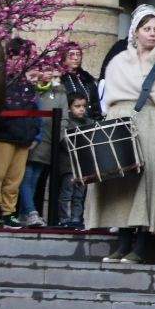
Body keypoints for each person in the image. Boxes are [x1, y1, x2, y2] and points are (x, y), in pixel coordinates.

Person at [92, 5, 155, 263]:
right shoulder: (117, 60)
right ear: (135, 32)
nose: (152, 34)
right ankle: (123, 243)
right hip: (119, 120)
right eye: (147, 29)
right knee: (123, 182)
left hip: (153, 123)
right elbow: (105, 95)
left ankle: (142, 245)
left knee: (148, 182)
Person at [0, 40, 41, 229]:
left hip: (23, 137)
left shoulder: (27, 84)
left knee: (14, 179)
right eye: (17, 56)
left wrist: (33, 133)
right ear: (10, 57)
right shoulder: (0, 80)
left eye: (25, 57)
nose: (21, 61)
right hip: (3, 135)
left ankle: (8, 212)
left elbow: (34, 110)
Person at [20, 65, 66, 228]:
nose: (47, 73)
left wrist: (58, 138)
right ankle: (31, 212)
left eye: (50, 70)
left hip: (47, 142)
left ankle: (26, 214)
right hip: (28, 139)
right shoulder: (29, 88)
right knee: (25, 178)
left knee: (34, 180)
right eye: (44, 69)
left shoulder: (59, 91)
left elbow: (63, 118)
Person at [56, 91, 91, 230]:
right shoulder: (67, 123)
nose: (81, 109)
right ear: (69, 108)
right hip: (69, 165)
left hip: (83, 165)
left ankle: (76, 219)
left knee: (79, 194)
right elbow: (65, 142)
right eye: (77, 106)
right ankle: (65, 218)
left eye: (83, 106)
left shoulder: (89, 122)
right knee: (67, 193)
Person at [58, 44, 100, 120]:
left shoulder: (86, 78)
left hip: (89, 121)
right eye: (71, 54)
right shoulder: (59, 78)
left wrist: (97, 120)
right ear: (63, 58)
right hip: (68, 122)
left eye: (78, 54)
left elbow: (95, 103)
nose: (76, 58)